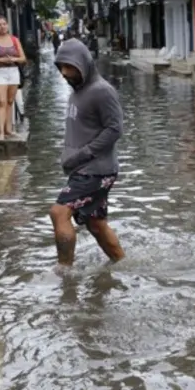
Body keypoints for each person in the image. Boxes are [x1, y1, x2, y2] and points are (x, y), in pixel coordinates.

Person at [49, 39, 125, 270]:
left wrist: (83, 154)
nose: (64, 73)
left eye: (69, 67)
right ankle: (123, 265)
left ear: (83, 64)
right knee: (96, 224)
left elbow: (114, 129)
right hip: (83, 168)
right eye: (61, 66)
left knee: (59, 212)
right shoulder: (78, 91)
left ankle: (64, 273)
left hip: (95, 170)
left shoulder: (101, 91)